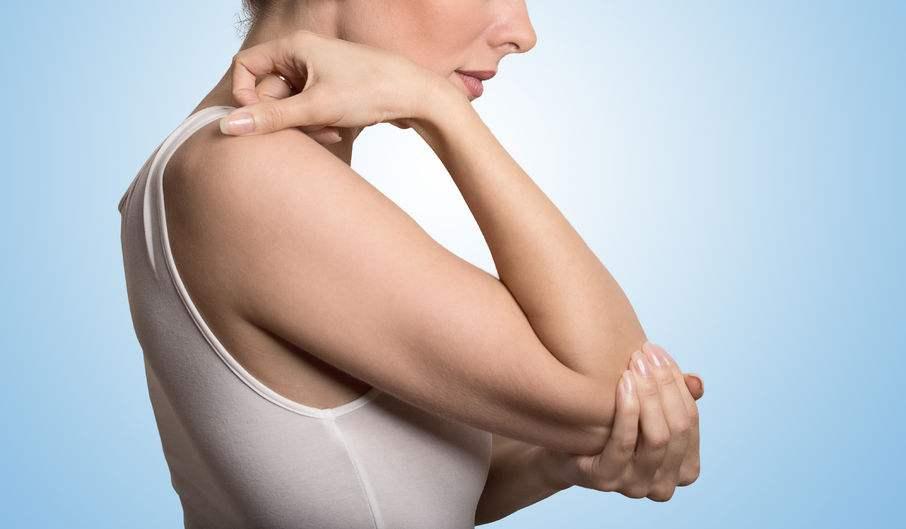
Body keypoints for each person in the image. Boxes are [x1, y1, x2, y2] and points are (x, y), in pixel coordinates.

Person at [117, 1, 705, 527]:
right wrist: (434, 105)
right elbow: (620, 392)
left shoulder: (220, 166)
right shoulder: (248, 174)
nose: (523, 33)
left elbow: (379, 493)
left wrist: (555, 462)